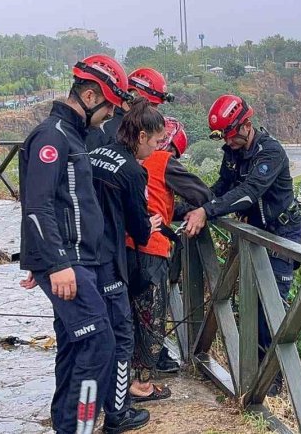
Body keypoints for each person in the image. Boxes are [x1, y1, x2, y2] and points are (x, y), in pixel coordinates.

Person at [18, 54, 128, 434]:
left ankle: (65, 426)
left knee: (73, 344)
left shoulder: (71, 135)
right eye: (109, 105)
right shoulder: (52, 136)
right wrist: (54, 263)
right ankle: (79, 427)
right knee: (99, 344)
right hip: (69, 261)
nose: (110, 114)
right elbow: (37, 205)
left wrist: (42, 260)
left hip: (78, 260)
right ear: (90, 95)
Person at [184, 94, 301, 396]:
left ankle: (271, 384)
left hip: (280, 235)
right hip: (253, 235)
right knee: (248, 304)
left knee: (271, 308)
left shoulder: (270, 152)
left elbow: (250, 191)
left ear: (246, 125)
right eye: (223, 136)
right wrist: (192, 207)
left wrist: (207, 211)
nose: (228, 141)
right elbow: (222, 188)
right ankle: (253, 376)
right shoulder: (233, 152)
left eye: (230, 134)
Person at [88, 98, 166, 433]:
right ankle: (118, 413)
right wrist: (153, 224)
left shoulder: (97, 154)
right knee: (121, 335)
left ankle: (88, 407)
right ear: (142, 136)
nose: (158, 148)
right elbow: (139, 230)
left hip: (83, 256)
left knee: (93, 335)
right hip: (108, 258)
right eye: (157, 141)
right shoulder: (133, 171)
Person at [125, 117, 211, 402]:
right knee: (152, 317)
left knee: (128, 316)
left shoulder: (128, 157)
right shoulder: (163, 160)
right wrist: (197, 210)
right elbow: (202, 193)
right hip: (151, 248)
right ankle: (142, 385)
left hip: (122, 246)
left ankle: (122, 380)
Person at [85, 67, 173, 152]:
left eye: (157, 106)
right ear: (132, 97)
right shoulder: (106, 125)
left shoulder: (133, 127)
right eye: (152, 105)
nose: (154, 111)